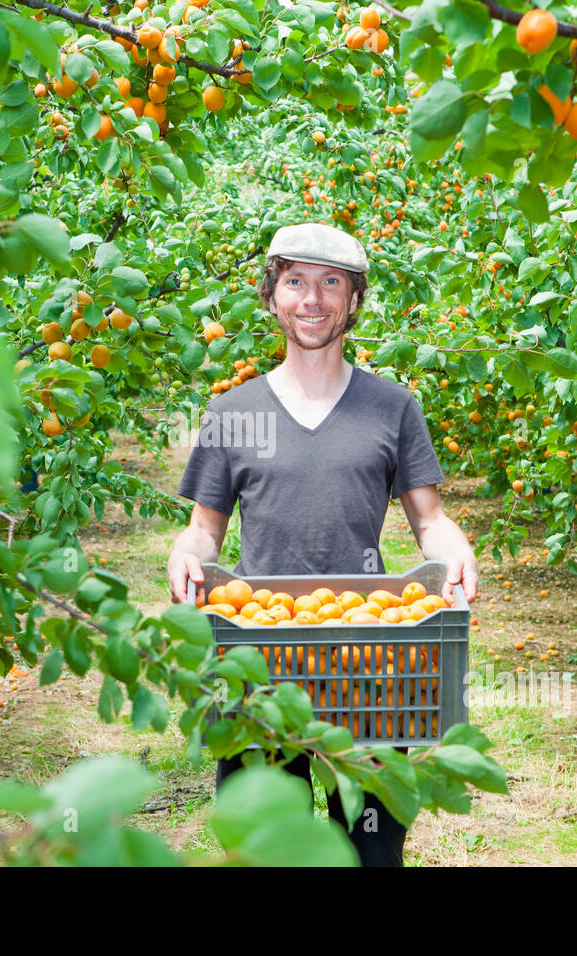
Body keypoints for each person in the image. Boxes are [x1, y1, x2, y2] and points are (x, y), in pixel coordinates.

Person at [167, 221, 479, 866]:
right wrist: (185, 554)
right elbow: (205, 529)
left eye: (331, 282)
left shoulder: (392, 407)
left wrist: (454, 549)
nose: (313, 298)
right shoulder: (232, 413)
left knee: (370, 848)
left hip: (373, 660)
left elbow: (429, 520)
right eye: (296, 282)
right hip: (259, 659)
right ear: (272, 297)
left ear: (354, 299)